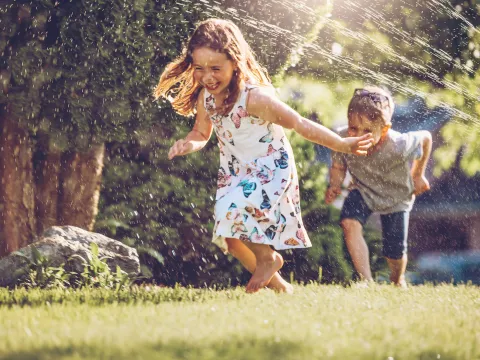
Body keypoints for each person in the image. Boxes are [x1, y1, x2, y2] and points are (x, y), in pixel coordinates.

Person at [154, 18, 373, 293]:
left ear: (235, 63)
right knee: (231, 240)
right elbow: (200, 132)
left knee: (231, 213)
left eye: (216, 69)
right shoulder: (206, 98)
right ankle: (281, 288)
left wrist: (341, 143)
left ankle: (268, 258)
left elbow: (299, 123)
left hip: (270, 168)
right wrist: (188, 144)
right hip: (236, 172)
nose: (207, 77)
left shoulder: (254, 98)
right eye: (199, 69)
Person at [325, 86, 432, 287]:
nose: (358, 135)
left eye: (367, 131)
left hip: (396, 197)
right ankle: (366, 282)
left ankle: (397, 279)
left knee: (394, 252)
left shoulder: (400, 144)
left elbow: (426, 136)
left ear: (384, 130)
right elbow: (338, 165)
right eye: (353, 128)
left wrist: (418, 174)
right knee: (349, 223)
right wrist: (335, 184)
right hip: (363, 190)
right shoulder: (343, 139)